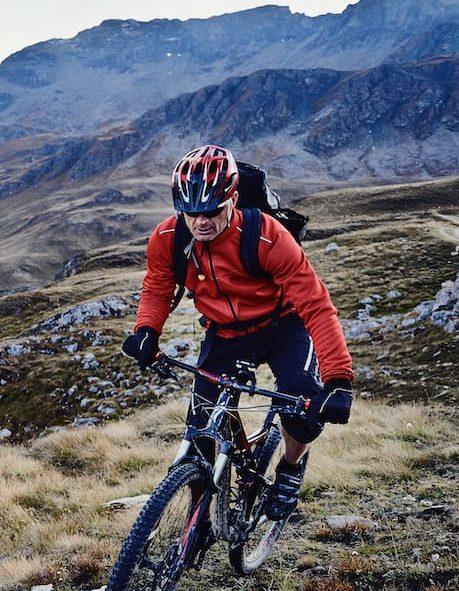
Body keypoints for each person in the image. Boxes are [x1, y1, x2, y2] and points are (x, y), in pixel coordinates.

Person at [121, 144, 354, 520]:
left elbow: (315, 304)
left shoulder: (266, 236)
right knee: (200, 432)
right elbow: (157, 287)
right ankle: (195, 523)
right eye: (191, 213)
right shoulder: (169, 237)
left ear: (231, 198)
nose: (201, 223)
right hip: (225, 333)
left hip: (284, 326)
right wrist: (147, 330)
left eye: (211, 212)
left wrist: (339, 380)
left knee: (300, 409)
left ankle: (290, 470)